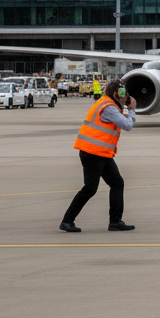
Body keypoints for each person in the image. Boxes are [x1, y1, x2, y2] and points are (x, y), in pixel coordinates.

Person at [60, 79, 137, 233]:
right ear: (115, 93)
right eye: (122, 93)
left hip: (101, 153)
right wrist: (132, 110)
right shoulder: (108, 108)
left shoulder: (106, 103)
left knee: (117, 183)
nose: (125, 96)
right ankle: (67, 221)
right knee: (90, 188)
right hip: (93, 153)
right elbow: (127, 125)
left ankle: (115, 221)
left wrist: (123, 105)